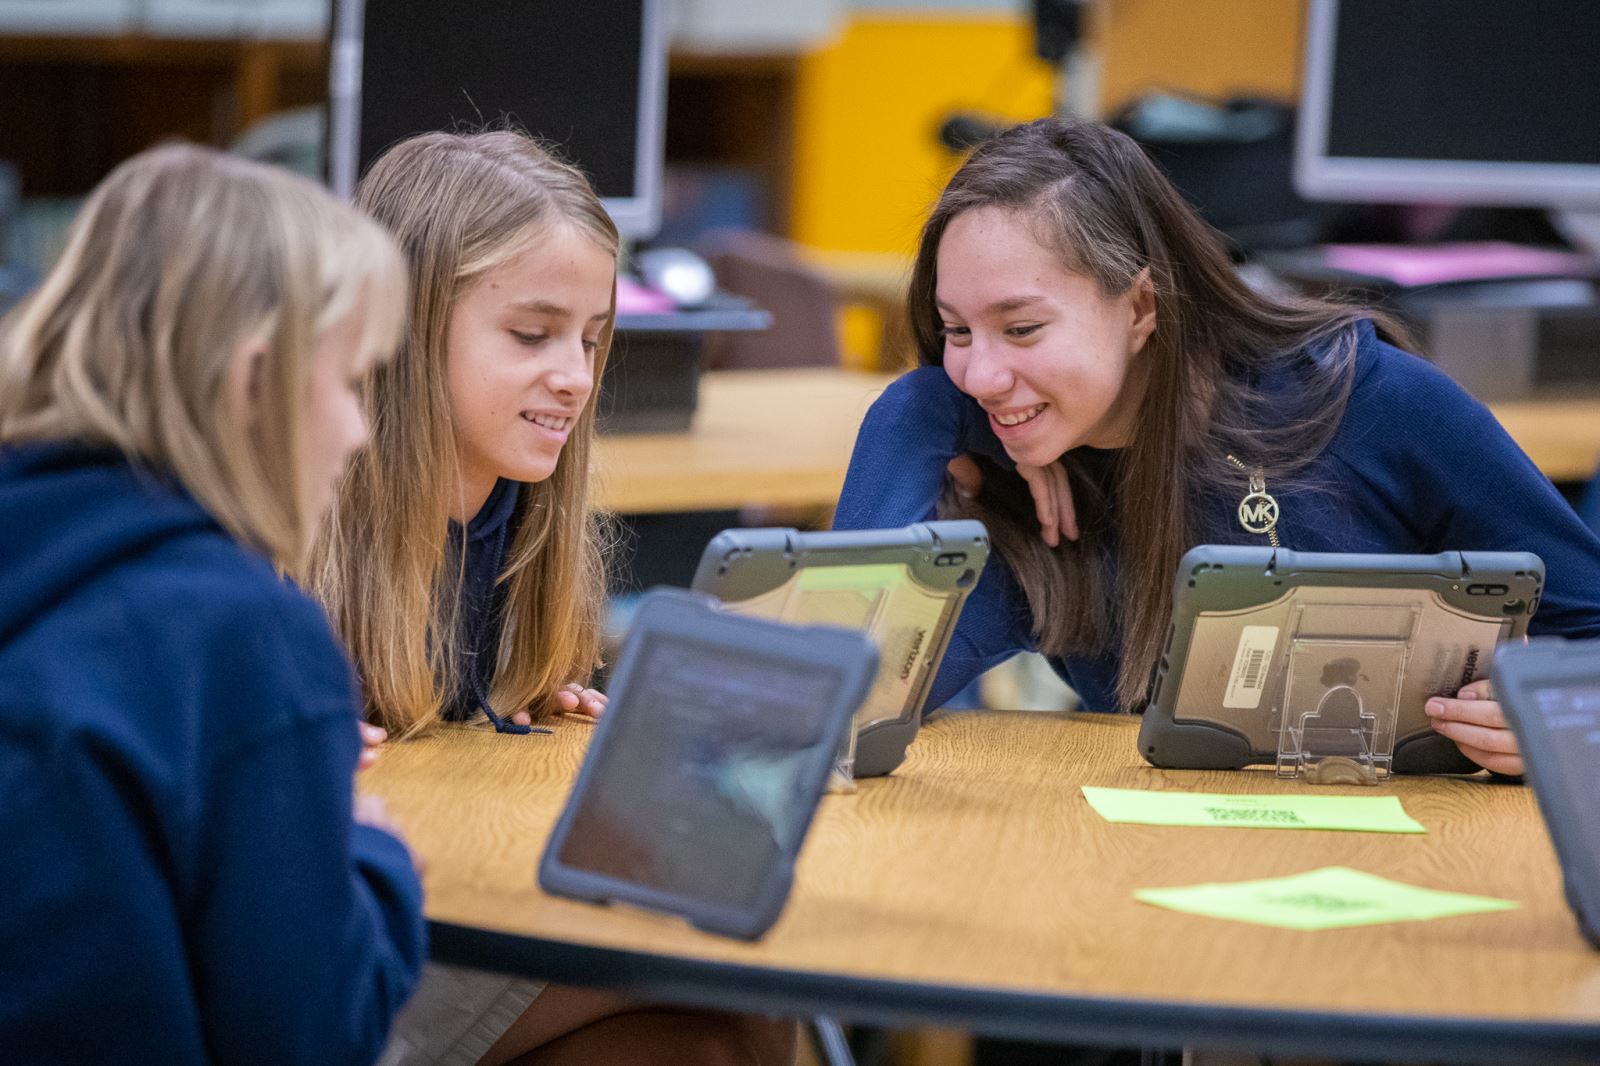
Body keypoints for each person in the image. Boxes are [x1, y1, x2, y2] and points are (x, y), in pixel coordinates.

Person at [834, 117, 1600, 776]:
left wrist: (1548, 714)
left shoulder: (1367, 400)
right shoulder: (1027, 494)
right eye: (957, 331)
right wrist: (921, 407)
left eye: (1022, 328)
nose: (980, 372)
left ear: (1139, 305)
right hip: (1163, 892)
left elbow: (1588, 634)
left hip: (1416, 880)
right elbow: (847, 702)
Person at [314, 129, 795, 1066]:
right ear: (402, 327)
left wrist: (522, 706)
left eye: (591, 338)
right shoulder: (299, 521)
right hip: (344, 958)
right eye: (532, 336)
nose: (574, 377)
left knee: (714, 1036)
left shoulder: (521, 522)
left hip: (457, 909)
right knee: (735, 968)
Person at [0, 143, 424, 1063]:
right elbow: (312, 1041)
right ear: (255, 384)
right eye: (352, 385)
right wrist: (374, 857)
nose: (360, 432)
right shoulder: (245, 637)